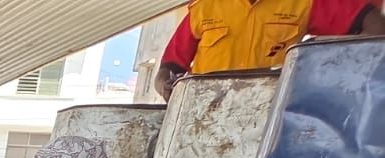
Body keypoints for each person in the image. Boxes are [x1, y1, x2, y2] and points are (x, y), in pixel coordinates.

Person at [157, 0, 385, 98]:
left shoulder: (302, 3)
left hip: (269, 120)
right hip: (205, 117)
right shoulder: (205, 7)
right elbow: (169, 67)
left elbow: (377, 27)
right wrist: (165, 86)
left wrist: (332, 63)